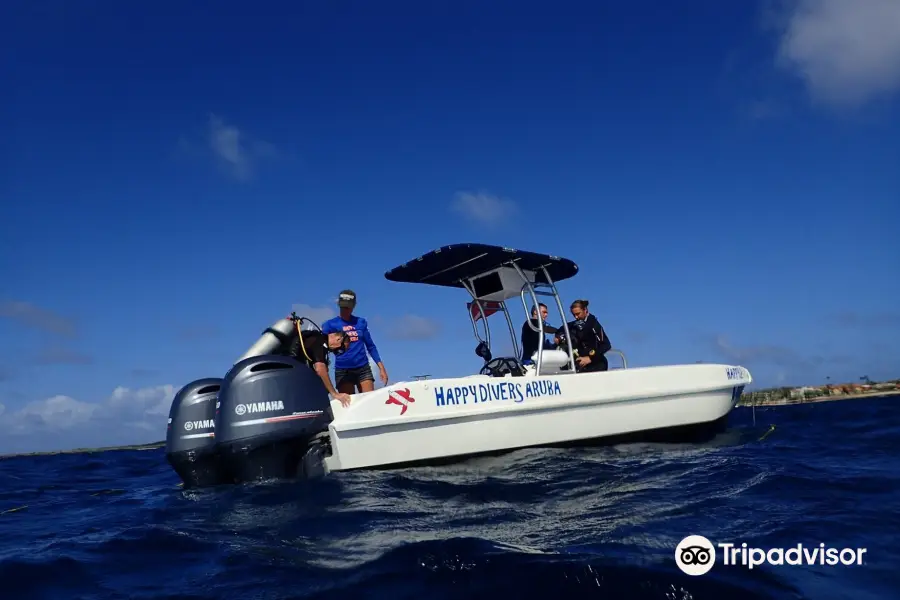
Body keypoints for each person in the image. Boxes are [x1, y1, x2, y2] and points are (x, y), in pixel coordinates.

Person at [321, 289, 389, 394]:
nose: (345, 310)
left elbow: (370, 346)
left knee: (368, 400)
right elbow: (322, 349)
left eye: (348, 307)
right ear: (339, 305)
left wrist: (382, 369)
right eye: (343, 307)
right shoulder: (329, 325)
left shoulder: (361, 323)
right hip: (343, 370)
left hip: (363, 368)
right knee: (349, 404)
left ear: (353, 306)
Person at [287, 327, 354, 407]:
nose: (338, 351)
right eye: (341, 349)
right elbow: (320, 369)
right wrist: (335, 394)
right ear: (338, 339)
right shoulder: (320, 341)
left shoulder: (317, 340)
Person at [568, 299, 612, 372]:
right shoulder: (573, 325)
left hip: (597, 365)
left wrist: (590, 358)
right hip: (581, 366)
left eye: (578, 314)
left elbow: (606, 345)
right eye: (574, 315)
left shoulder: (594, 325)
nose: (576, 317)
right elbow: (563, 328)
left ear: (585, 310)